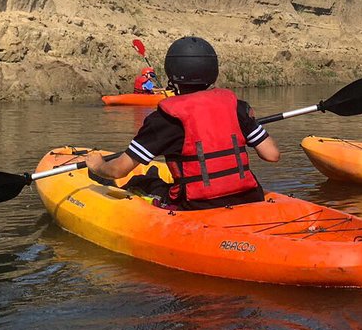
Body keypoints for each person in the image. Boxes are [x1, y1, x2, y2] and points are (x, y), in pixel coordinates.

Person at [86, 36, 280, 209]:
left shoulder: (165, 118)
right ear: (213, 71)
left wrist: (97, 166)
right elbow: (272, 155)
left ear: (172, 74)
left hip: (196, 205)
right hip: (248, 197)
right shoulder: (237, 107)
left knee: (140, 181)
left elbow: (118, 170)